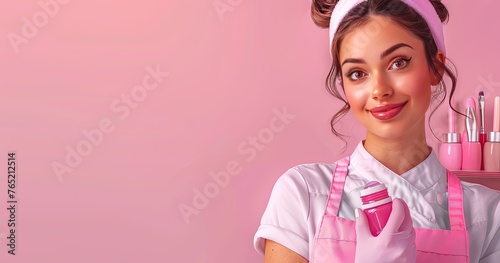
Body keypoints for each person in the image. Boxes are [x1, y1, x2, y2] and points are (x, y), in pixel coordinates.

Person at [253, 0, 500, 262]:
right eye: (357, 73)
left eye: (398, 62)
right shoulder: (303, 193)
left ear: (435, 67)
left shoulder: (488, 215)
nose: (379, 90)